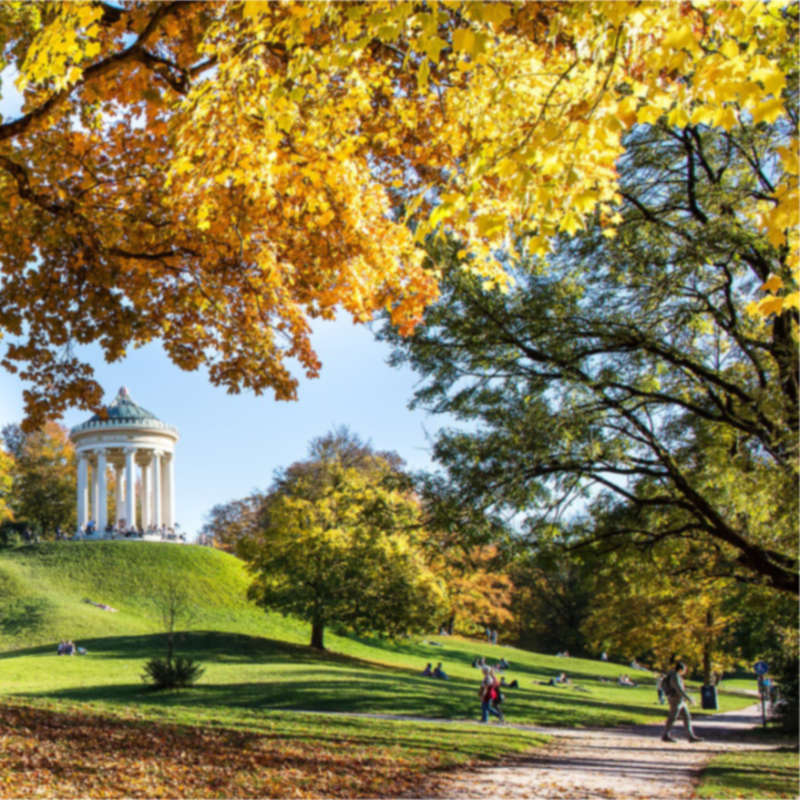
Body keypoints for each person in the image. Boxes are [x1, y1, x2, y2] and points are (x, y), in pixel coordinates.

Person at [661, 661, 703, 743]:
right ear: (680, 669)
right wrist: (689, 698)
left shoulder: (675, 676)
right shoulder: (675, 676)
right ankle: (665, 735)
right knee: (672, 718)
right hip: (675, 700)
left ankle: (691, 736)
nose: (685, 671)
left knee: (687, 717)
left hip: (680, 701)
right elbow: (679, 690)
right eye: (684, 670)